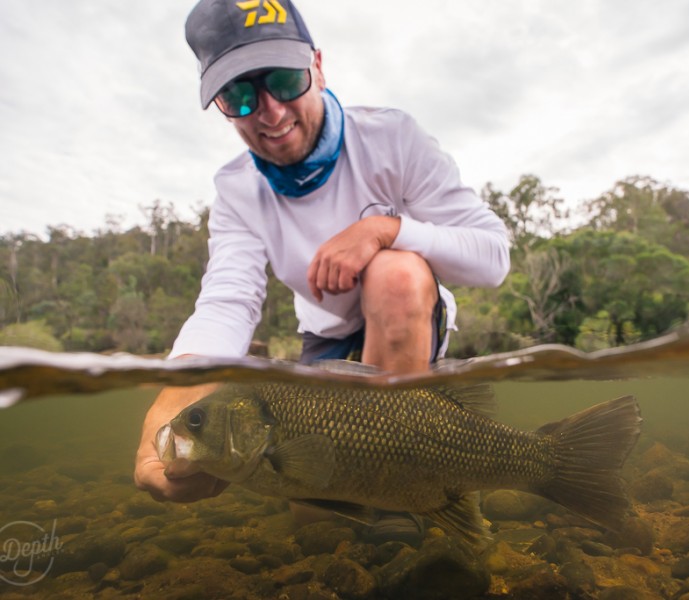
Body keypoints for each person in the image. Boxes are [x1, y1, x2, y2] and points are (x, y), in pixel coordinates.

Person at [134, 0, 510, 527]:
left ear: (317, 66)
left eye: (285, 80)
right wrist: (172, 400)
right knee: (319, 526)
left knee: (396, 275)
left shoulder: (391, 138)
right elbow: (228, 303)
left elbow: (493, 257)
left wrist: (386, 230)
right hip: (323, 353)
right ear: (220, 103)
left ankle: (415, 500)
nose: (270, 112)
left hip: (409, 323)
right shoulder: (237, 189)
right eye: (239, 95)